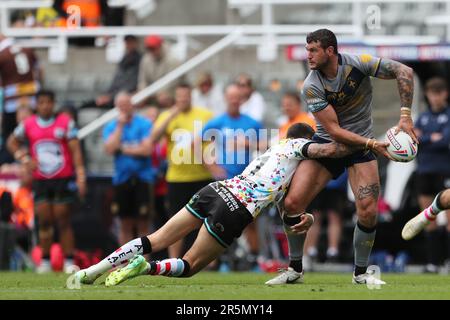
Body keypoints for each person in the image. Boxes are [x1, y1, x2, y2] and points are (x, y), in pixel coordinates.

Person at [73, 123, 355, 285]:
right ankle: (146, 268)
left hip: (216, 189)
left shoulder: (273, 152)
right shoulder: (294, 146)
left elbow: (284, 207)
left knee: (155, 238)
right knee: (190, 265)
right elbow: (324, 149)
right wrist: (362, 144)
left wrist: (305, 218)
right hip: (237, 208)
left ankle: (91, 272)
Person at [266, 28, 416, 285]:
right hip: (328, 146)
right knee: (291, 205)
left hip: (361, 148)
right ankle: (295, 269)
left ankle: (360, 273)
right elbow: (334, 130)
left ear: (330, 51)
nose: (308, 55)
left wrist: (405, 116)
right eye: (307, 49)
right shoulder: (312, 85)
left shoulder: (359, 64)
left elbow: (405, 71)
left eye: (313, 50)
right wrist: (371, 142)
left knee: (368, 211)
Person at [7, 90, 86, 273]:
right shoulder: (28, 124)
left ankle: (68, 260)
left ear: (53, 103)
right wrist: (24, 158)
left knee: (63, 219)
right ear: (37, 105)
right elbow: (12, 142)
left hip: (62, 178)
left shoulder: (66, 122)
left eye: (48, 102)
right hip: (41, 179)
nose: (45, 106)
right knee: (44, 220)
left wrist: (81, 176)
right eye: (41, 103)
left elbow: (76, 151)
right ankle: (45, 261)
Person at [201, 83, 263, 270]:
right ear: (226, 98)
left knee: (250, 221)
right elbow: (198, 145)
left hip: (247, 180)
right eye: (231, 96)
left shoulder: (252, 123)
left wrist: (249, 144)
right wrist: (212, 167)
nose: (235, 100)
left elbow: (266, 146)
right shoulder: (217, 122)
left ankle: (253, 261)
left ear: (242, 99)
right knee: (221, 221)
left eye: (238, 97)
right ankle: (224, 261)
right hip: (224, 180)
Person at [149, 83, 214, 258]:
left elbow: (215, 138)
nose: (183, 100)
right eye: (180, 97)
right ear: (175, 98)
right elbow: (153, 139)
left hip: (202, 176)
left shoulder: (205, 115)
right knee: (175, 221)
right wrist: (170, 116)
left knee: (206, 221)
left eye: (186, 96)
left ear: (191, 96)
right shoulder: (167, 116)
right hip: (177, 178)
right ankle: (173, 260)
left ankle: (203, 259)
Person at [402, 77, 450, 272]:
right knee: (426, 219)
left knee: (448, 220)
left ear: (445, 94)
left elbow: (445, 140)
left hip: (444, 170)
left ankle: (448, 261)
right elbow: (415, 139)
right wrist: (432, 137)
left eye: (438, 93)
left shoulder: (448, 115)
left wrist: (426, 137)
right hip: (424, 171)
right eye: (431, 94)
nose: (435, 98)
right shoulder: (422, 117)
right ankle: (433, 263)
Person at [103, 92, 155, 245]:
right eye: (121, 105)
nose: (125, 108)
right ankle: (124, 263)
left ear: (132, 104)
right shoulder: (112, 126)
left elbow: (146, 150)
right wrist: (120, 127)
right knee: (124, 223)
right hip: (122, 179)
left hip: (143, 178)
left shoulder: (144, 124)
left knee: (143, 223)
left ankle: (144, 264)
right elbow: (110, 149)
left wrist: (123, 149)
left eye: (127, 104)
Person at [0, 33, 41, 153]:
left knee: (11, 133)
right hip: (31, 96)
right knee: (32, 129)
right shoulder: (27, 49)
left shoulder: (3, 55)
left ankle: (11, 158)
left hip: (12, 99)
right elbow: (38, 70)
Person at [95, 35, 142, 109]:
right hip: (114, 94)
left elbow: (132, 83)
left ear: (135, 43)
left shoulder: (139, 60)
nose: (128, 44)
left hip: (123, 96)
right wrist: (107, 94)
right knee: (88, 104)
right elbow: (116, 80)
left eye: (130, 42)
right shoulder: (124, 58)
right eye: (127, 42)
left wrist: (111, 96)